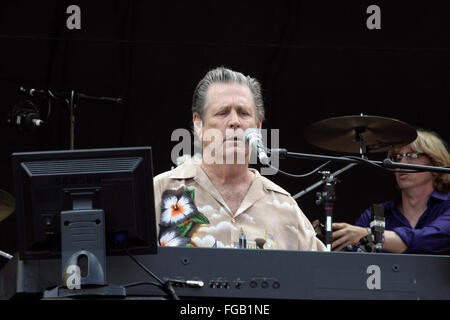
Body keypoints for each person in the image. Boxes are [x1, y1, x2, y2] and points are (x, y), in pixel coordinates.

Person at [153, 66, 326, 251]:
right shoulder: (159, 192)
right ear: (199, 124)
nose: (234, 121)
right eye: (222, 112)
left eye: (244, 113)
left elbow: (321, 275)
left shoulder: (286, 208)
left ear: (258, 126)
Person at [332, 129, 450, 255]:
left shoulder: (447, 206)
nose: (401, 163)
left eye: (412, 156)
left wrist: (372, 236)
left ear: (435, 164)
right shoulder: (376, 215)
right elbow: (352, 262)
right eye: (397, 157)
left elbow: (437, 239)